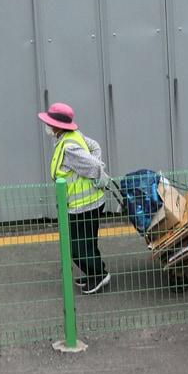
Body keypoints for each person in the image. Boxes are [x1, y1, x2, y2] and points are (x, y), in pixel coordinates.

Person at [39, 102, 111, 294]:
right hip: (86, 203)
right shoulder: (71, 137)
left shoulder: (69, 147)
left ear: (57, 126)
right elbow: (94, 147)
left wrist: (96, 169)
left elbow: (94, 167)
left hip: (84, 205)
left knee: (78, 248)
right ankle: (97, 273)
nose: (47, 126)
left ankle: (98, 276)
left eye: (49, 123)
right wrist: (93, 166)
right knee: (87, 242)